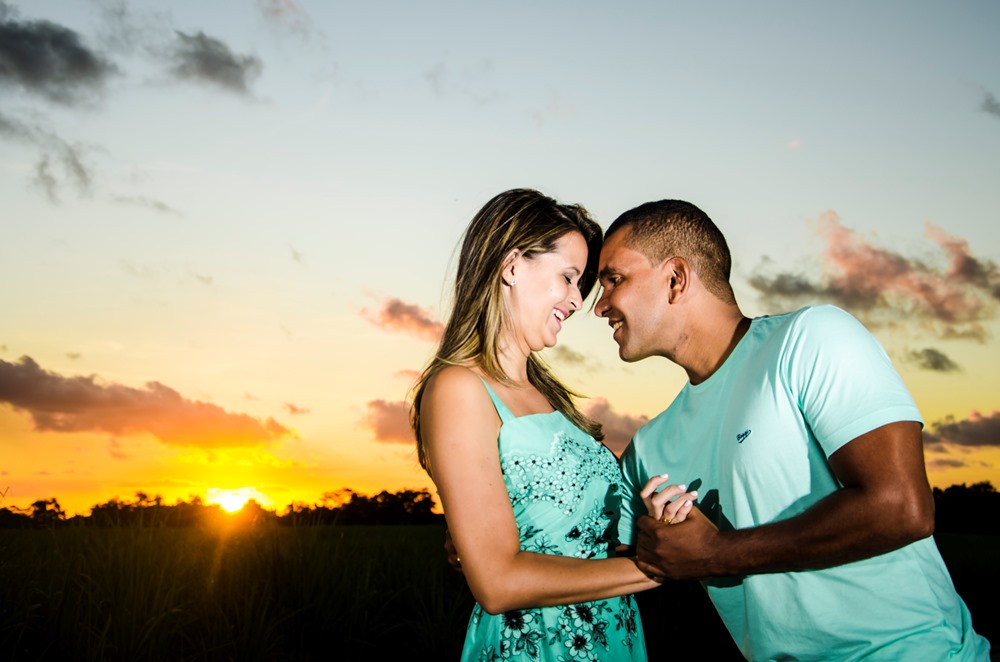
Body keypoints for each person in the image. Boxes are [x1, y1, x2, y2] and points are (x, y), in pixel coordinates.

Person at [595, 199, 991, 661]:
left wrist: (716, 553)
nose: (600, 305)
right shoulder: (648, 448)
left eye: (614, 279)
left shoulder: (811, 339)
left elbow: (902, 508)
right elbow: (606, 557)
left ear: (675, 279)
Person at [411, 189, 695, 662]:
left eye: (579, 283)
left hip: (611, 636)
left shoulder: (552, 400)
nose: (578, 299)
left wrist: (656, 527)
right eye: (568, 277)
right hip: (539, 645)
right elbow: (498, 583)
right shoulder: (459, 388)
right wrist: (659, 567)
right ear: (512, 265)